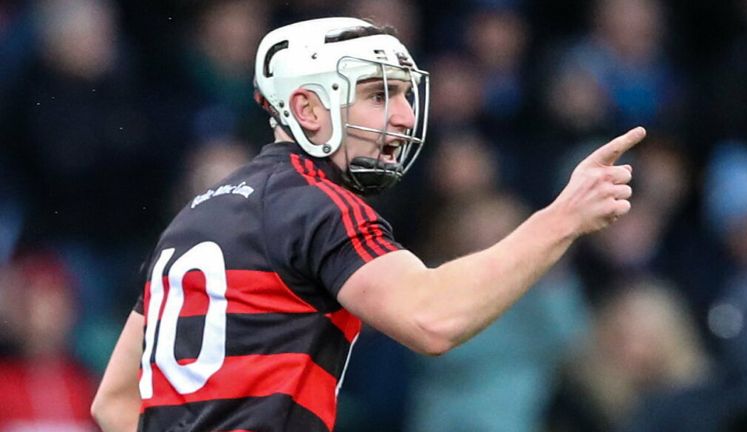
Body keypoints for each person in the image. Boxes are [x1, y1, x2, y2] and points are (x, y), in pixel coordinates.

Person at [91, 17, 646, 432]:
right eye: (380, 94)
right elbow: (432, 318)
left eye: (404, 93)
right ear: (308, 110)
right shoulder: (316, 204)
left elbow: (113, 402)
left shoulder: (193, 217)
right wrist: (561, 217)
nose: (404, 115)